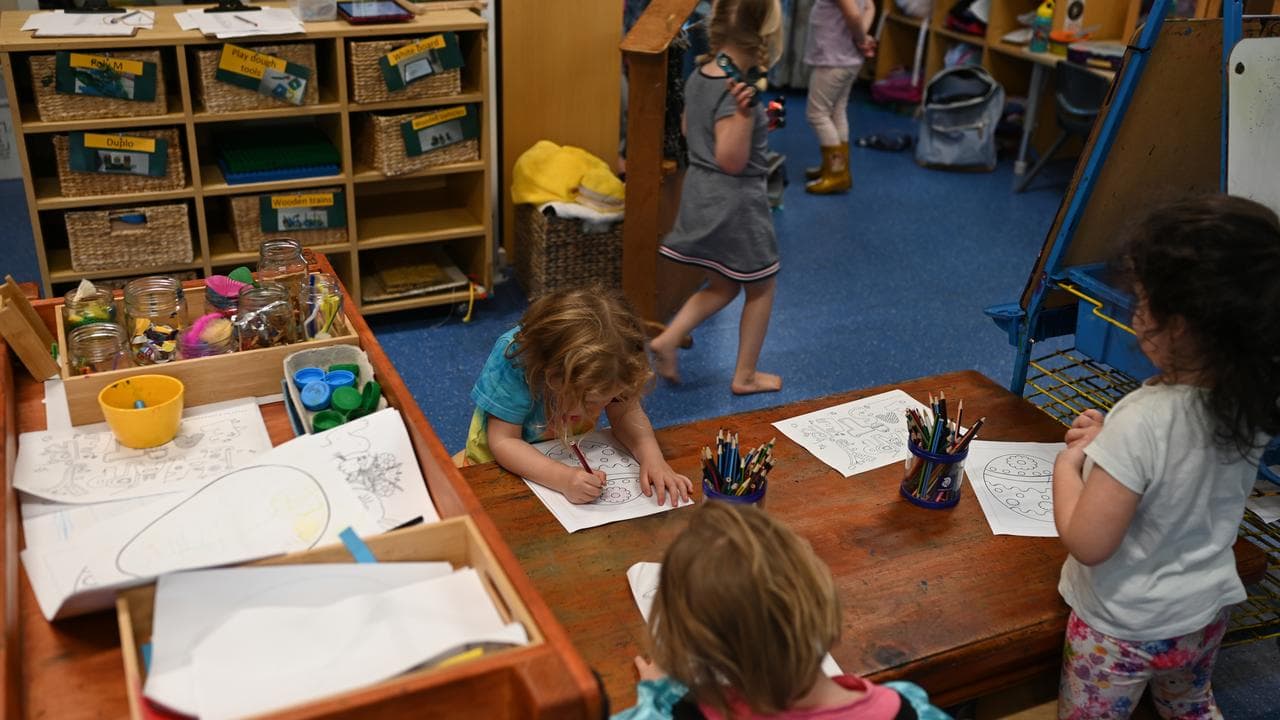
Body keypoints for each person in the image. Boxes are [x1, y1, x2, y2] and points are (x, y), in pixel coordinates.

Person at [1052, 195, 1280, 719]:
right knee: (1190, 707)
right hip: (1202, 614)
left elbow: (1089, 542)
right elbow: (1182, 464)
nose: (1136, 308)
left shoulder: (1144, 419)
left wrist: (1069, 468)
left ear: (1175, 325)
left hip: (1122, 627)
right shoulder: (1251, 398)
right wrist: (1112, 441)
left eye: (1143, 298)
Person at [613, 502, 950, 719]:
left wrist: (656, 694)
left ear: (691, 650)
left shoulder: (688, 713)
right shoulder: (904, 710)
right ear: (823, 604)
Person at [649, 0, 785, 396]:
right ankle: (745, 376)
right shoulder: (737, 90)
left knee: (724, 284)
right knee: (762, 285)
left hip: (702, 192)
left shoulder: (702, 73)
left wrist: (756, 126)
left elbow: (692, 129)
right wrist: (746, 120)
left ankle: (667, 338)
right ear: (764, 32)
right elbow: (731, 159)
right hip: (736, 201)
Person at [465, 287, 692, 506]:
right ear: (553, 376)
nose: (598, 411)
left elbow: (625, 412)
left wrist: (653, 459)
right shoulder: (516, 358)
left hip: (565, 457)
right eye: (592, 402)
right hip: (495, 468)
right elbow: (504, 441)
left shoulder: (616, 362)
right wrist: (562, 478)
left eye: (607, 399)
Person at [803, 0, 877, 194]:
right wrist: (862, 37)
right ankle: (835, 167)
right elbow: (869, 6)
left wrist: (860, 38)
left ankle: (836, 174)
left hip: (833, 59)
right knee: (837, 111)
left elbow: (852, 15)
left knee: (817, 114)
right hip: (847, 58)